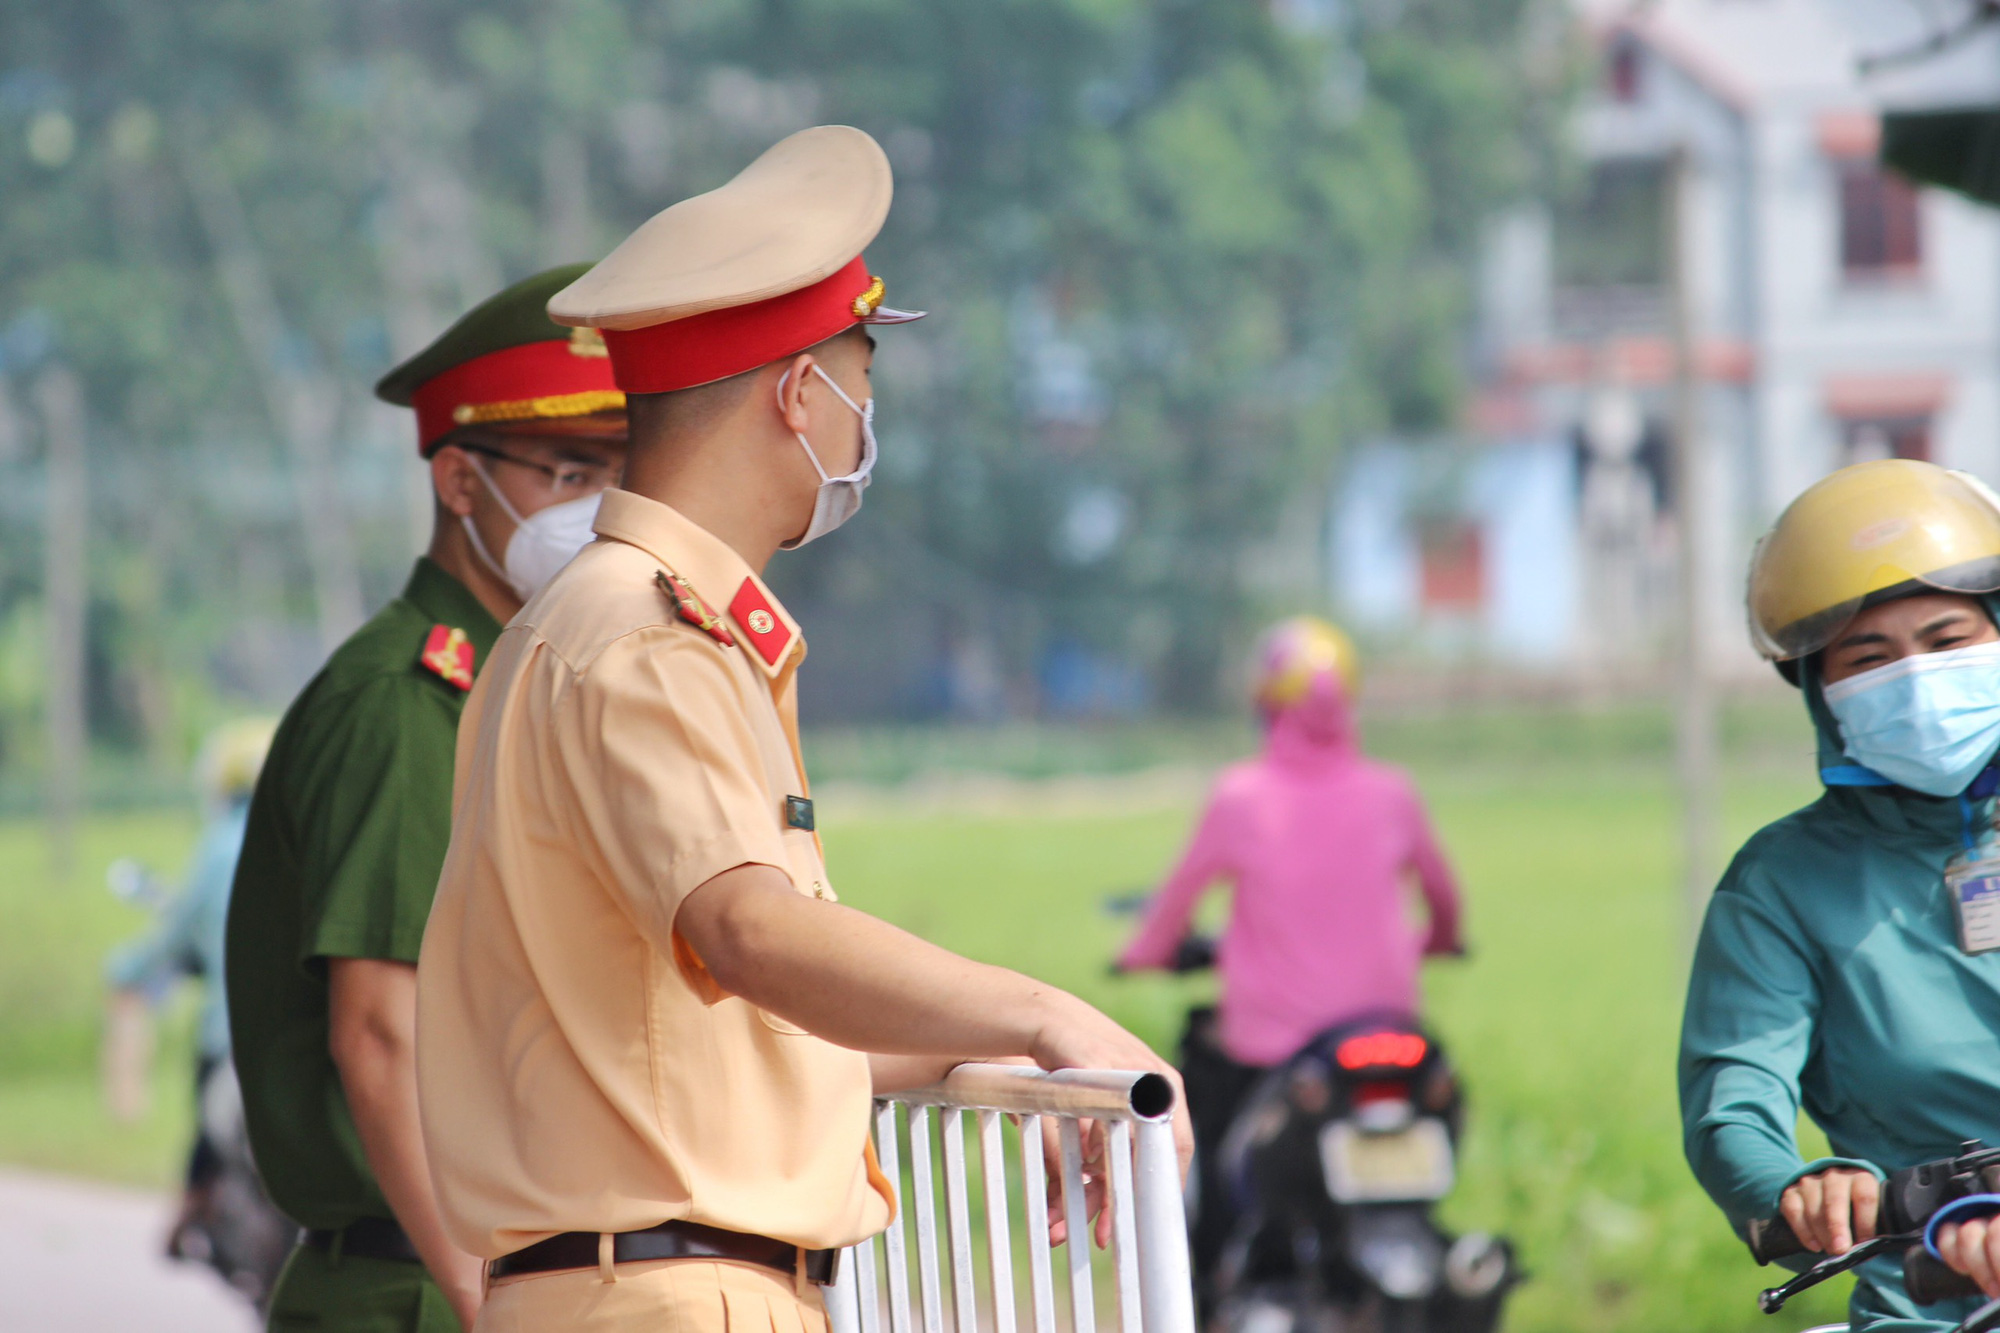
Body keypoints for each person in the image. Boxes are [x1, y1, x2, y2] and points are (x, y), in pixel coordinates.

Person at [415, 124, 1188, 1333]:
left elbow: (744, 1033)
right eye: (862, 380)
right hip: (684, 1296)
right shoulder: (647, 638)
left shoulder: (609, 627)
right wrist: (1041, 1010)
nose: (864, 420)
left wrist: (1019, 1067)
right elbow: (751, 932)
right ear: (797, 393)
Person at [225, 264, 629, 1333]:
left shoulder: (512, 683)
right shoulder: (412, 702)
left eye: (620, 473)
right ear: (459, 482)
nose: (598, 509)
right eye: (566, 469)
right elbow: (381, 1032)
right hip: (427, 1284)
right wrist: (475, 1298)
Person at [1680, 458, 2000, 1333]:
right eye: (1870, 656)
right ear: (1822, 690)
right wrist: (1796, 1188)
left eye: (1947, 641)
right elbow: (1734, 1096)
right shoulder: (1780, 886)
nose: (1916, 679)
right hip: (1927, 1303)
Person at [1115, 615, 1463, 1279]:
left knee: (1211, 1142)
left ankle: (1209, 1282)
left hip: (1275, 1047)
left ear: (1268, 704)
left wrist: (1144, 953)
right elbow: (1445, 901)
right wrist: (1437, 942)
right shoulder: (1393, 792)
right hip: (1393, 1034)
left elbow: (1174, 908)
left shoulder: (1242, 796)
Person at [104, 719, 279, 1271]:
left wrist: (124, 969)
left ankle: (190, 1205)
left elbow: (174, 933)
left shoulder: (220, 846)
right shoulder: (298, 838)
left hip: (233, 1037)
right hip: (305, 1030)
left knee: (207, 1117)